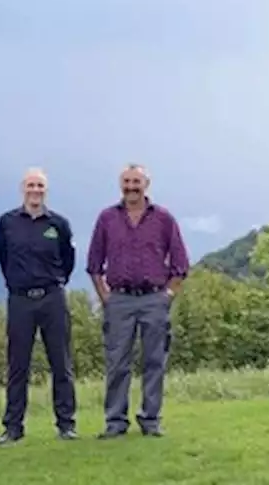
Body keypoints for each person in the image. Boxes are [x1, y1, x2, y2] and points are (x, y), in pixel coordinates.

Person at [85, 163, 190, 439]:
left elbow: (180, 263)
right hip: (119, 300)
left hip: (154, 298)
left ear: (147, 185)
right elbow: (94, 263)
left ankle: (151, 420)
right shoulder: (107, 218)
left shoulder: (164, 219)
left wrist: (168, 295)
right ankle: (115, 422)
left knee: (154, 361)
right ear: (121, 185)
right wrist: (105, 296)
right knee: (117, 362)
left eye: (137, 182)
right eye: (127, 182)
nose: (131, 187)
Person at [0, 168, 78, 445]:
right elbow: (4, 259)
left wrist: (55, 281)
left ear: (46, 190)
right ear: (22, 188)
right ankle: (13, 427)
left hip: (52, 297)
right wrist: (18, 284)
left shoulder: (59, 224)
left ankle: (66, 424)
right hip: (20, 299)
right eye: (31, 185)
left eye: (40, 186)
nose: (35, 190)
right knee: (18, 365)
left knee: (61, 363)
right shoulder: (7, 222)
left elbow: (68, 260)